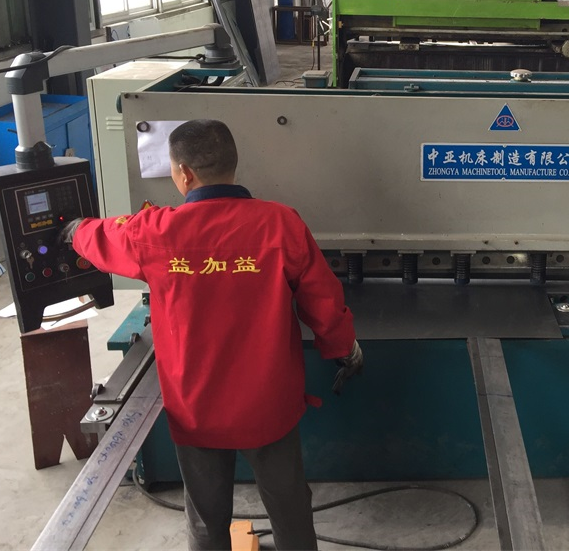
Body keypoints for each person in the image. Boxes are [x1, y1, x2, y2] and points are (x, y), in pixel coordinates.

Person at [64, 119, 363, 551]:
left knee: (206, 519)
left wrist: (74, 230)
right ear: (232, 165)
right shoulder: (280, 223)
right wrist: (343, 349)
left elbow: (102, 237)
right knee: (290, 508)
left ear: (184, 174)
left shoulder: (154, 231)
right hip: (268, 402)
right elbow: (323, 301)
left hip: (196, 405)